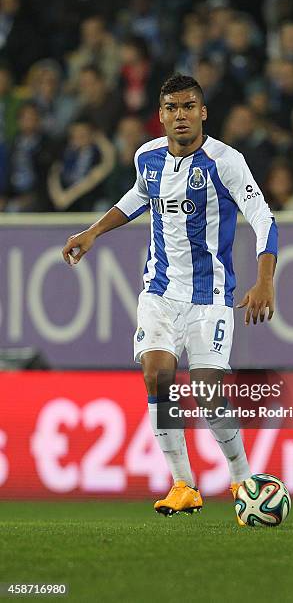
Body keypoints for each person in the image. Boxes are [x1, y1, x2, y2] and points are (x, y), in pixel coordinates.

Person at [62, 74, 278, 523]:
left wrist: (265, 280)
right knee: (156, 373)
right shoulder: (147, 157)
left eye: (188, 107)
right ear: (160, 115)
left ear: (203, 112)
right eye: (171, 108)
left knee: (206, 389)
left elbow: (263, 217)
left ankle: (241, 479)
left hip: (211, 295)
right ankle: (183, 485)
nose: (180, 115)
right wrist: (93, 231)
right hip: (160, 290)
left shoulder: (226, 161)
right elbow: (137, 197)